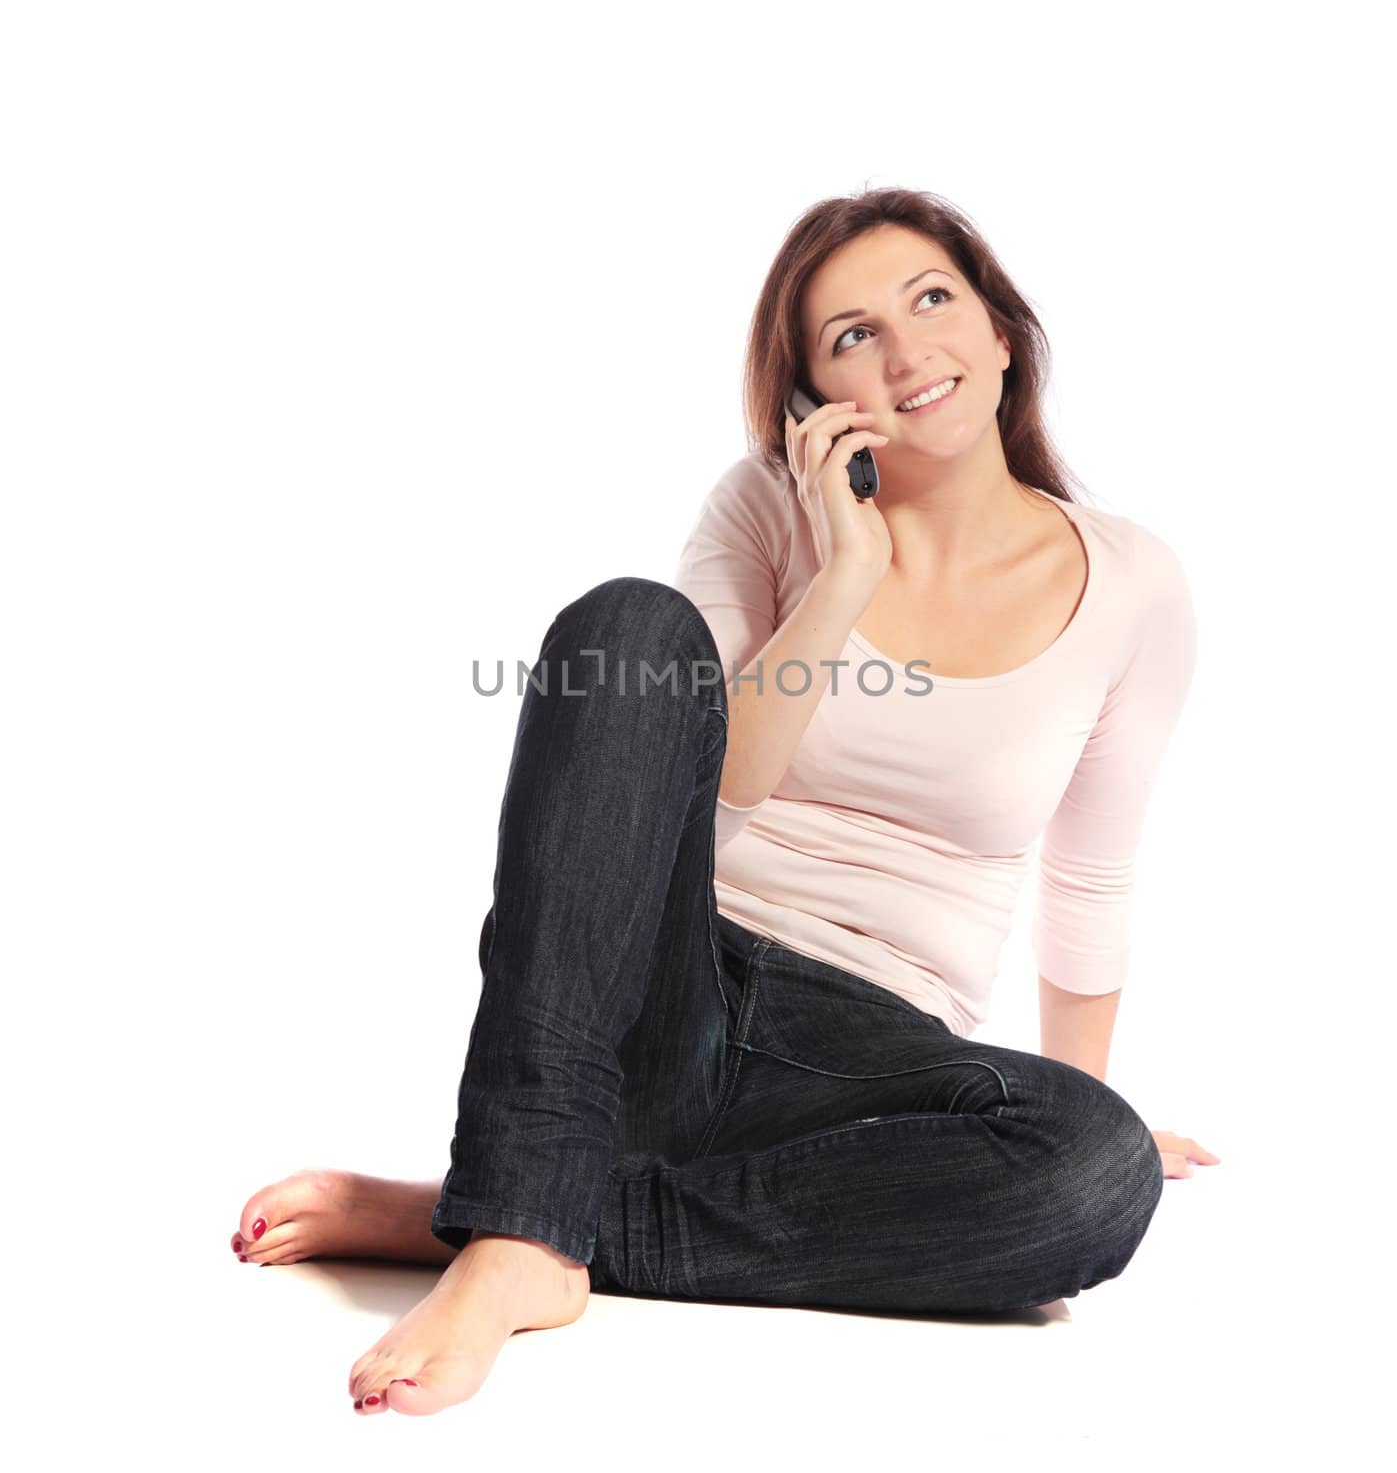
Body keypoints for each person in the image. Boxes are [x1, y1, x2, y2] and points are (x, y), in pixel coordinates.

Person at [229, 186, 1220, 1418]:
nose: (906, 350)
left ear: (1001, 330)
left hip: (867, 1056)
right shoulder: (765, 509)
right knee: (631, 632)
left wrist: (1083, 1110)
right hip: (657, 984)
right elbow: (721, 783)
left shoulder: (1131, 586)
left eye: (931, 301)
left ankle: (508, 1219)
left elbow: (1089, 876)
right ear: (815, 394)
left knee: (1092, 1178)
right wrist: (843, 570)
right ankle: (518, 1218)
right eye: (851, 333)